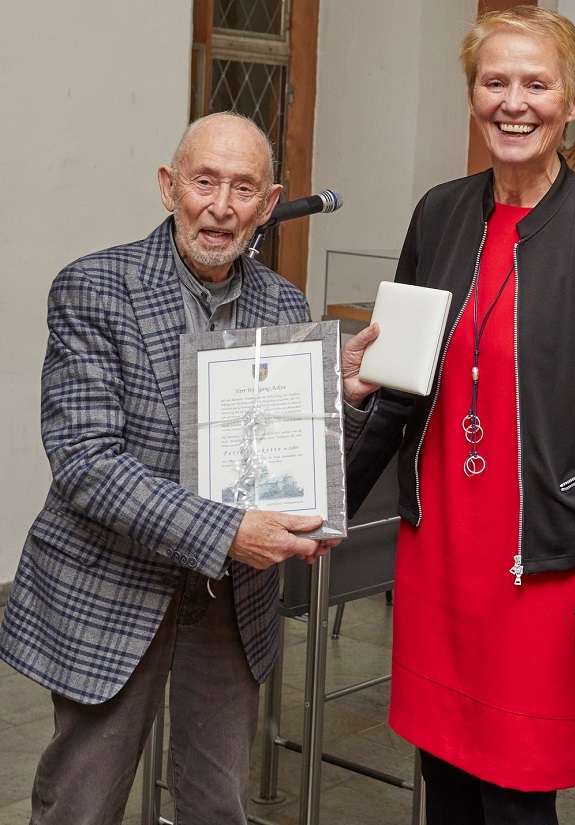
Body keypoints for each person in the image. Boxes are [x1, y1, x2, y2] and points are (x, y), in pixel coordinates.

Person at [340, 7, 575, 823]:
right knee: (442, 779)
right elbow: (400, 384)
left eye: (536, 83)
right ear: (473, 95)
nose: (514, 103)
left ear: (574, 99)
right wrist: (327, 501)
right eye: (495, 82)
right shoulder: (439, 214)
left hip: (540, 568)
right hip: (439, 552)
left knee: (517, 792)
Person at [0, 111, 331, 825]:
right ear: (167, 185)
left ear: (269, 205)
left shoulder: (286, 305)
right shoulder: (95, 287)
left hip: (232, 602)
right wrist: (229, 529)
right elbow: (87, 463)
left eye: (244, 188)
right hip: (114, 584)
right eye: (203, 181)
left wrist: (348, 402)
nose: (220, 206)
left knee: (219, 801)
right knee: (80, 804)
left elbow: (302, 454)